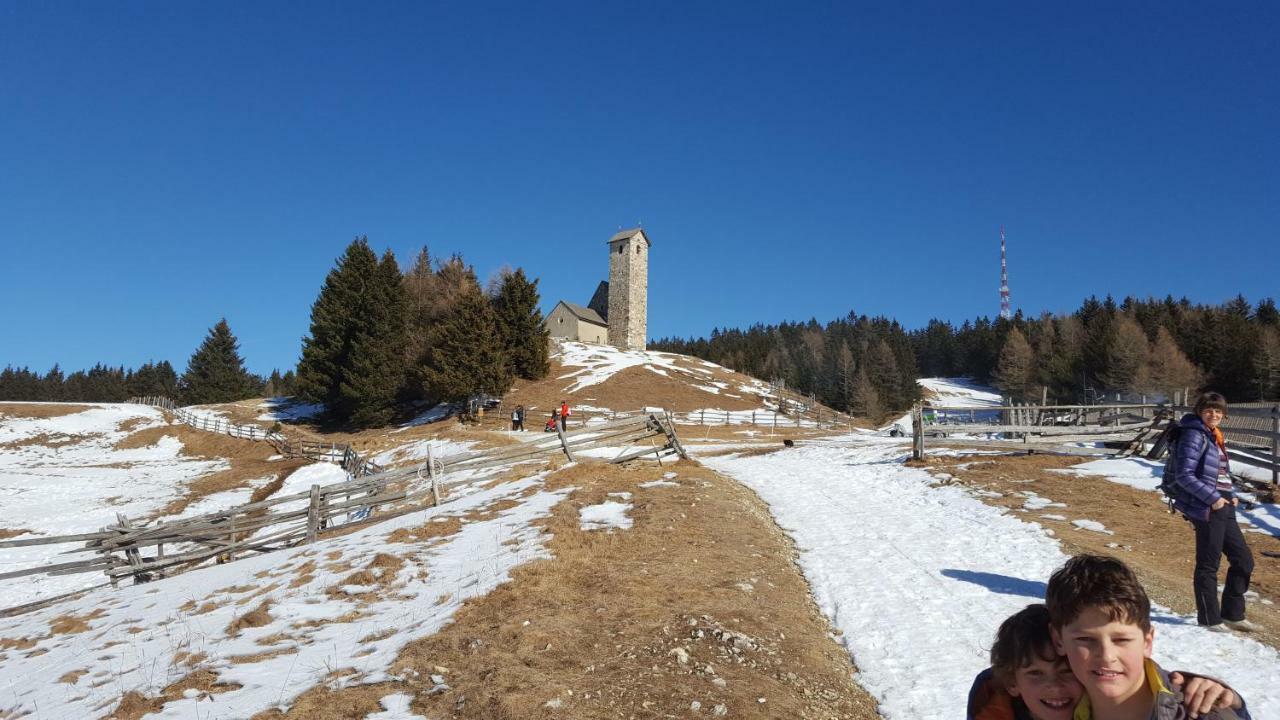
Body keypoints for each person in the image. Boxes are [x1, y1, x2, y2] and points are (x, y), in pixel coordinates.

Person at [1045, 555, 1248, 720]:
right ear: (1058, 640)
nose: (1107, 656)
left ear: (1147, 641)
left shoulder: (1200, 711)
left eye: (1121, 640)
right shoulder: (1053, 708)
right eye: (1086, 640)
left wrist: (1233, 706)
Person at [967, 603, 1245, 720]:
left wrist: (1231, 703)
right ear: (1013, 683)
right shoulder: (992, 707)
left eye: (1065, 671)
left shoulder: (1109, 706)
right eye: (1035, 673)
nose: (1054, 686)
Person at [1170, 392, 1256, 632]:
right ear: (1200, 411)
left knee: (1243, 560)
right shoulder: (1193, 435)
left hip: (1223, 501)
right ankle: (1209, 618)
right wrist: (1215, 499)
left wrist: (1232, 493)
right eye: (1209, 410)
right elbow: (1184, 475)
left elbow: (1218, 471)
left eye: (1218, 411)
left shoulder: (1213, 435)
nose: (1214, 414)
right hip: (1207, 504)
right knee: (1208, 564)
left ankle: (1233, 614)